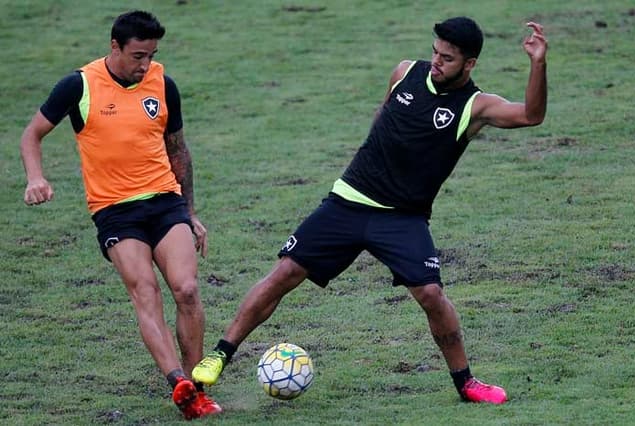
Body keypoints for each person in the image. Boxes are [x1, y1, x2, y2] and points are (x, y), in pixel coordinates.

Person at [193, 17, 547, 404]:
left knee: (431, 294)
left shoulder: (475, 106)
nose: (436, 62)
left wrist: (538, 63)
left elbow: (531, 115)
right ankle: (219, 355)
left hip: (402, 218)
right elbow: (384, 114)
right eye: (435, 52)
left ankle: (466, 383)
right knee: (286, 271)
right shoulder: (405, 72)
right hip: (348, 201)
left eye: (447, 58)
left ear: (470, 63)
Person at [20, 10, 221, 420]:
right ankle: (178, 383)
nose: (144, 65)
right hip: (114, 211)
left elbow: (178, 149)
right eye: (137, 56)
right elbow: (32, 133)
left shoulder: (163, 84)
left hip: (165, 201)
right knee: (145, 291)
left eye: (151, 55)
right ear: (115, 47)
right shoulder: (79, 85)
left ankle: (197, 387)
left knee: (185, 289)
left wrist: (190, 210)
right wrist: (35, 177)